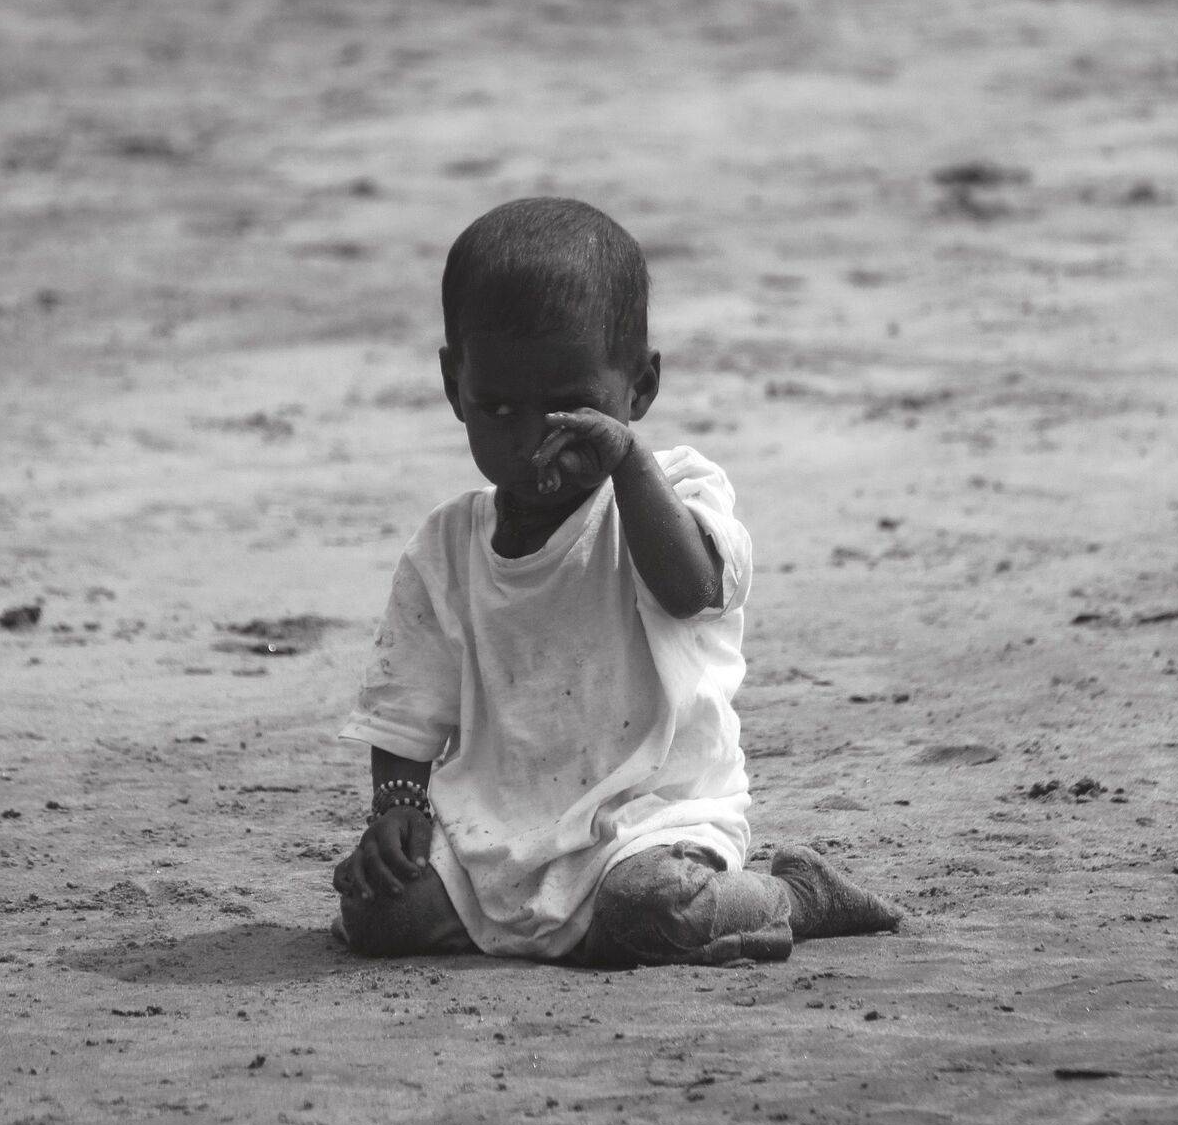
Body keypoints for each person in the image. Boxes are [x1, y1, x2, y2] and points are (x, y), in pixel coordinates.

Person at [332, 197, 899, 965]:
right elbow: (406, 708)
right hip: (495, 829)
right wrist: (396, 808)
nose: (532, 441)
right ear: (451, 383)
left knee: (649, 907)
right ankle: (572, 931)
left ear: (640, 387)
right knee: (377, 913)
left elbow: (689, 587)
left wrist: (628, 463)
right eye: (497, 407)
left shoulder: (678, 491)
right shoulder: (446, 546)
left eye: (571, 410)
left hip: (648, 823)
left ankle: (795, 896)